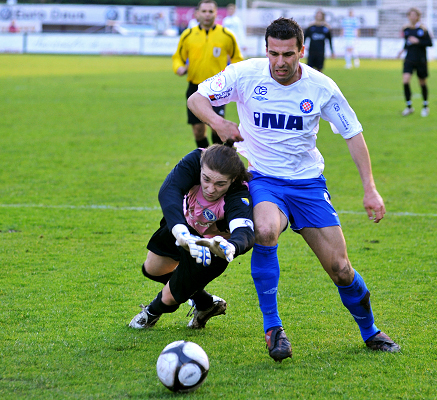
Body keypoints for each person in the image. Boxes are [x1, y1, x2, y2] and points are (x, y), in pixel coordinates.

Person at [187, 17, 400, 362]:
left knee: (341, 268)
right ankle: (273, 329)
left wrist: (370, 189)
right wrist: (218, 121)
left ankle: (370, 331)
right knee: (266, 230)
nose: (280, 62)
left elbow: (353, 134)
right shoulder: (245, 74)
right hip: (261, 178)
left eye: (288, 54)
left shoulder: (321, 86)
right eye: (274, 53)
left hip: (307, 184)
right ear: (266, 50)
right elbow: (197, 98)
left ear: (302, 51)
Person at [129, 144, 254, 329]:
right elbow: (169, 191)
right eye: (206, 179)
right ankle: (206, 304)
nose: (211, 189)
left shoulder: (238, 194)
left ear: (233, 179)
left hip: (210, 247)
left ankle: (151, 313)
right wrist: (181, 233)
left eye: (220, 184)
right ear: (201, 168)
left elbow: (244, 231)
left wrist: (231, 247)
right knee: (152, 269)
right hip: (184, 227)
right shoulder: (197, 159)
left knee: (169, 297)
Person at [172, 0, 243, 149]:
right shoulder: (188, 35)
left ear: (216, 13)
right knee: (198, 131)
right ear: (197, 13)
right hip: (195, 87)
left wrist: (234, 77)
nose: (207, 14)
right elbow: (178, 57)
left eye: (210, 11)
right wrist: (179, 68)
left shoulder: (226, 35)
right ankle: (206, 158)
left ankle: (220, 162)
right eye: (204, 11)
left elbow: (237, 60)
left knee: (217, 128)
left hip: (218, 88)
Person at [397, 8, 433, 117]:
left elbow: (430, 43)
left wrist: (418, 41)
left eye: (414, 15)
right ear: (408, 16)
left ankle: (425, 106)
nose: (412, 17)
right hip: (409, 59)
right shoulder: (406, 29)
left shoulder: (423, 29)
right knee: (405, 81)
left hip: (420, 60)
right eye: (410, 15)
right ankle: (409, 107)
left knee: (422, 82)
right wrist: (402, 50)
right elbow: (407, 43)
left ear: (418, 16)